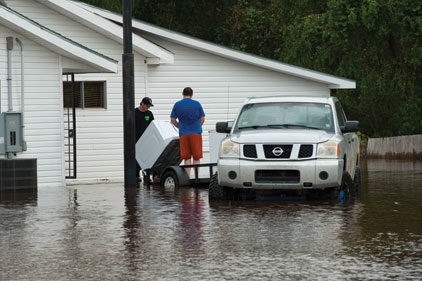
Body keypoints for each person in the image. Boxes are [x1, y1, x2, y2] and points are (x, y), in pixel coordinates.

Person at [170, 87, 205, 177]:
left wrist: (179, 126)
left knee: (187, 157)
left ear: (183, 93)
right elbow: (202, 118)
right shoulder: (197, 104)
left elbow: (173, 119)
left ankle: (188, 176)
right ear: (192, 94)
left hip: (184, 133)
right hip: (196, 133)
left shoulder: (177, 105)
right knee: (196, 157)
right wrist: (198, 126)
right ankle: (196, 176)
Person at [135, 97, 154, 181]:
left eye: (149, 106)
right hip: (135, 139)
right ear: (142, 103)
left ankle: (146, 174)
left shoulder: (149, 114)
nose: (148, 107)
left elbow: (152, 126)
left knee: (147, 157)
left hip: (146, 140)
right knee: (136, 158)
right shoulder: (134, 112)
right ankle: (136, 175)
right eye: (147, 105)